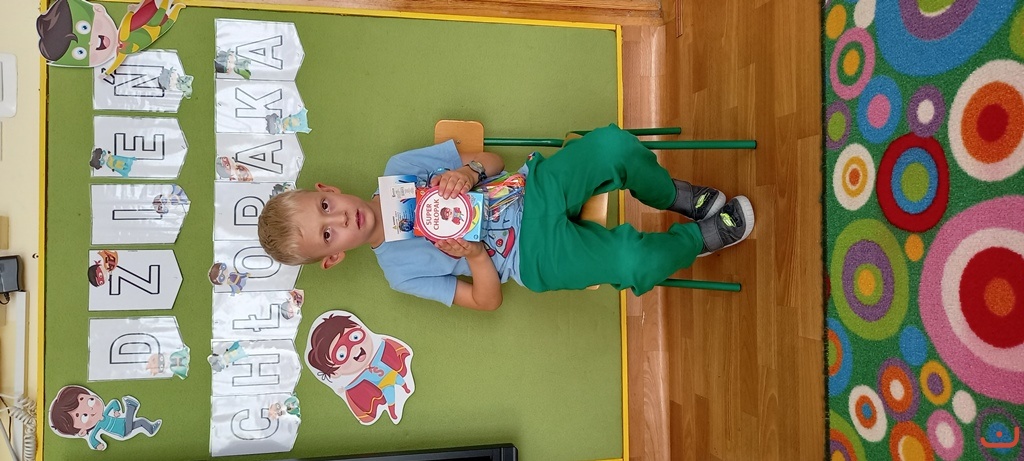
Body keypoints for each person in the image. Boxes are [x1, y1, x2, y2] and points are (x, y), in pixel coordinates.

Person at [257, 124, 754, 310]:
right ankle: (700, 239)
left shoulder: (399, 169)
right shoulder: (399, 272)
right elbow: (487, 301)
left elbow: (491, 161)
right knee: (630, 262)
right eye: (328, 235)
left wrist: (467, 172)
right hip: (530, 258)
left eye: (326, 209)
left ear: (328, 190)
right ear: (334, 258)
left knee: (611, 147)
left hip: (532, 189)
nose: (341, 221)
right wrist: (475, 256)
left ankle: (675, 196)